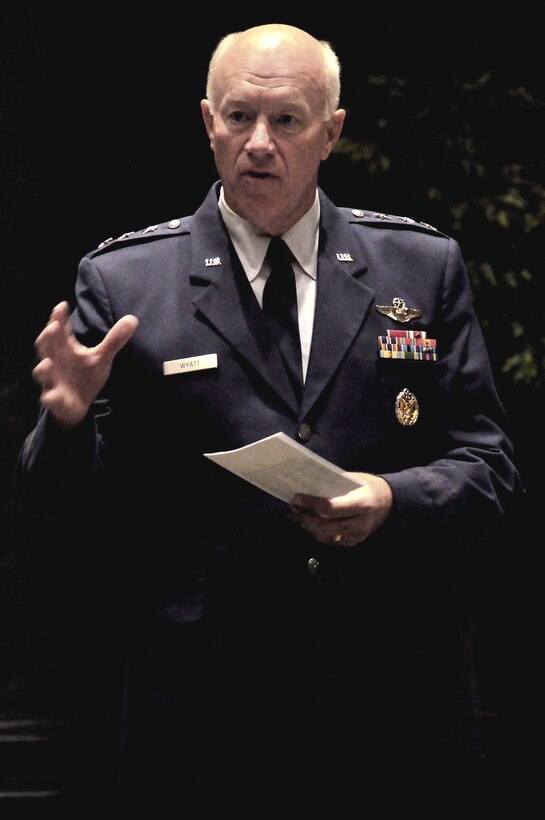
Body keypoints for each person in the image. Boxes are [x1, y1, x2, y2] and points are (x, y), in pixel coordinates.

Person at [16, 22, 522, 812]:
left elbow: (488, 469)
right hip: (203, 706)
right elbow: (64, 511)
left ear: (330, 133)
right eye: (237, 117)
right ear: (207, 122)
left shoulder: (420, 267)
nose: (258, 143)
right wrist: (69, 422)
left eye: (285, 120)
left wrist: (391, 499)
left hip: (389, 695)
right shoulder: (127, 283)